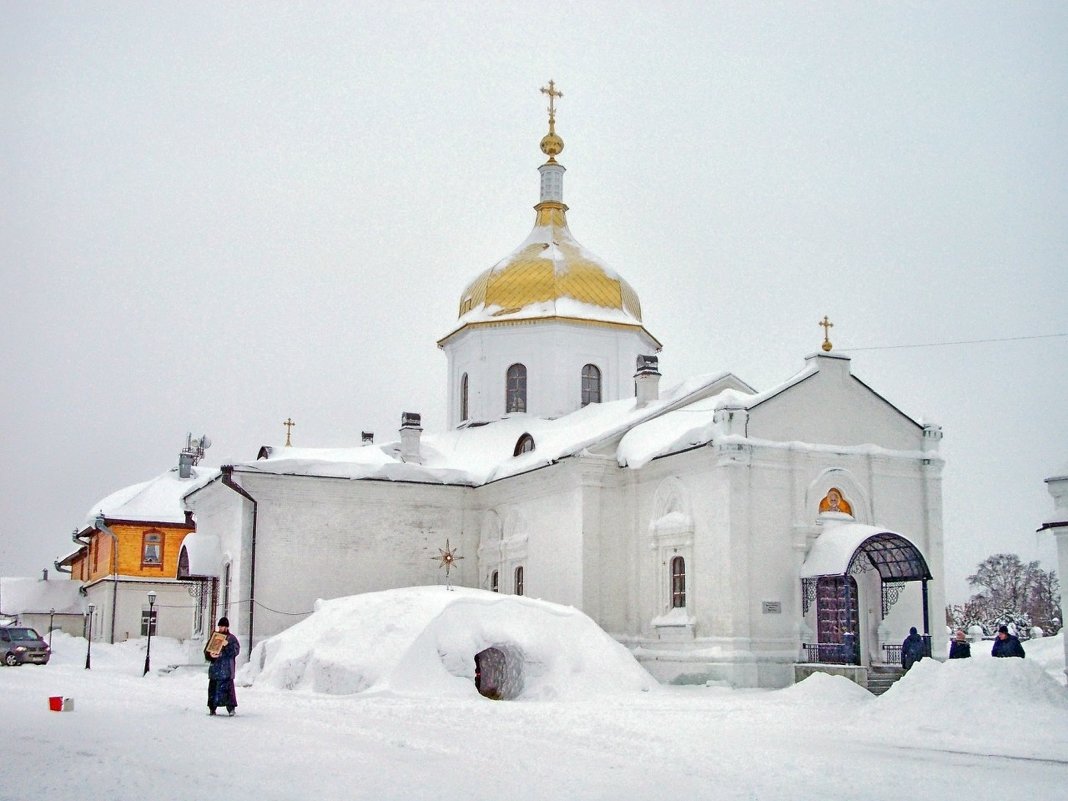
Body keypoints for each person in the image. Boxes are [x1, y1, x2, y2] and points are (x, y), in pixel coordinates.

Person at [204, 617, 240, 716]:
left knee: (228, 691)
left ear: (227, 627)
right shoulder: (215, 637)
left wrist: (227, 645)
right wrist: (210, 655)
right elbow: (207, 651)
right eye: (220, 626)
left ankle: (231, 708)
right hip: (215, 669)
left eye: (223, 627)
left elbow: (235, 652)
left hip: (227, 670)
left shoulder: (231, 639)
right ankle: (212, 708)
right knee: (213, 690)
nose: (221, 628)